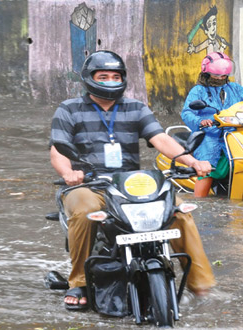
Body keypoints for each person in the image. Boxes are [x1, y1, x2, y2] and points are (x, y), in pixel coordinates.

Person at [50, 50, 216, 311]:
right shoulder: (69, 108)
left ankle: (199, 282)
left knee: (179, 211)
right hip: (88, 185)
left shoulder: (136, 108)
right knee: (85, 211)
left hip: (130, 185)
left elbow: (159, 138)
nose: (109, 81)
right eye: (102, 76)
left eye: (115, 76)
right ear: (88, 78)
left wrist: (191, 160)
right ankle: (79, 281)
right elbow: (58, 149)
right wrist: (68, 173)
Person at [181, 52, 243, 197]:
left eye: (223, 75)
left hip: (235, 133)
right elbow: (187, 112)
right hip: (210, 134)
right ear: (207, 73)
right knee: (207, 166)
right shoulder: (198, 91)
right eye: (217, 75)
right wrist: (200, 121)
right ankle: (199, 201)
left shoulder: (234, 88)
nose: (221, 78)